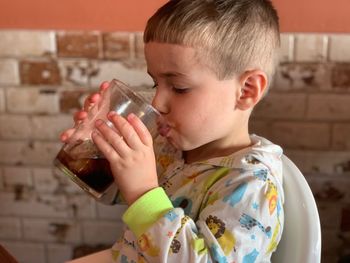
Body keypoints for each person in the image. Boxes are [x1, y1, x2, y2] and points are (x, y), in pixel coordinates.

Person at [61, 0, 284, 262]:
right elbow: (114, 194)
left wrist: (144, 192)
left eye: (178, 88)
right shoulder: (172, 148)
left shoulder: (251, 186)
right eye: (155, 83)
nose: (157, 102)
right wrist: (91, 149)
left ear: (246, 91)